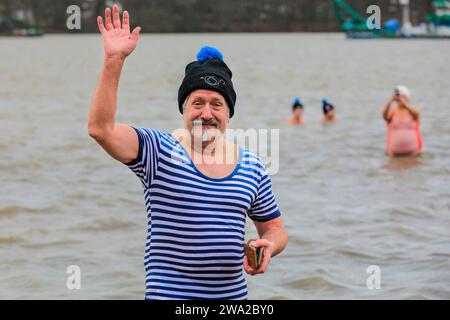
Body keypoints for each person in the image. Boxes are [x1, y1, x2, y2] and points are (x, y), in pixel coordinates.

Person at [88, 5, 288, 300]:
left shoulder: (252, 166)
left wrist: (268, 245)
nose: (206, 113)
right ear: (183, 108)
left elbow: (274, 228)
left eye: (217, 104)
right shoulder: (158, 151)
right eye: (197, 103)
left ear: (228, 114)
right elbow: (100, 129)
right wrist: (113, 61)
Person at [382, 85, 422, 157]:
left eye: (403, 97)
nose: (400, 99)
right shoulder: (393, 112)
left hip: (414, 154)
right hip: (394, 154)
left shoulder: (413, 111)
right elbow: (384, 116)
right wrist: (390, 101)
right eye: (400, 97)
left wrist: (405, 105)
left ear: (407, 98)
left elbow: (416, 114)